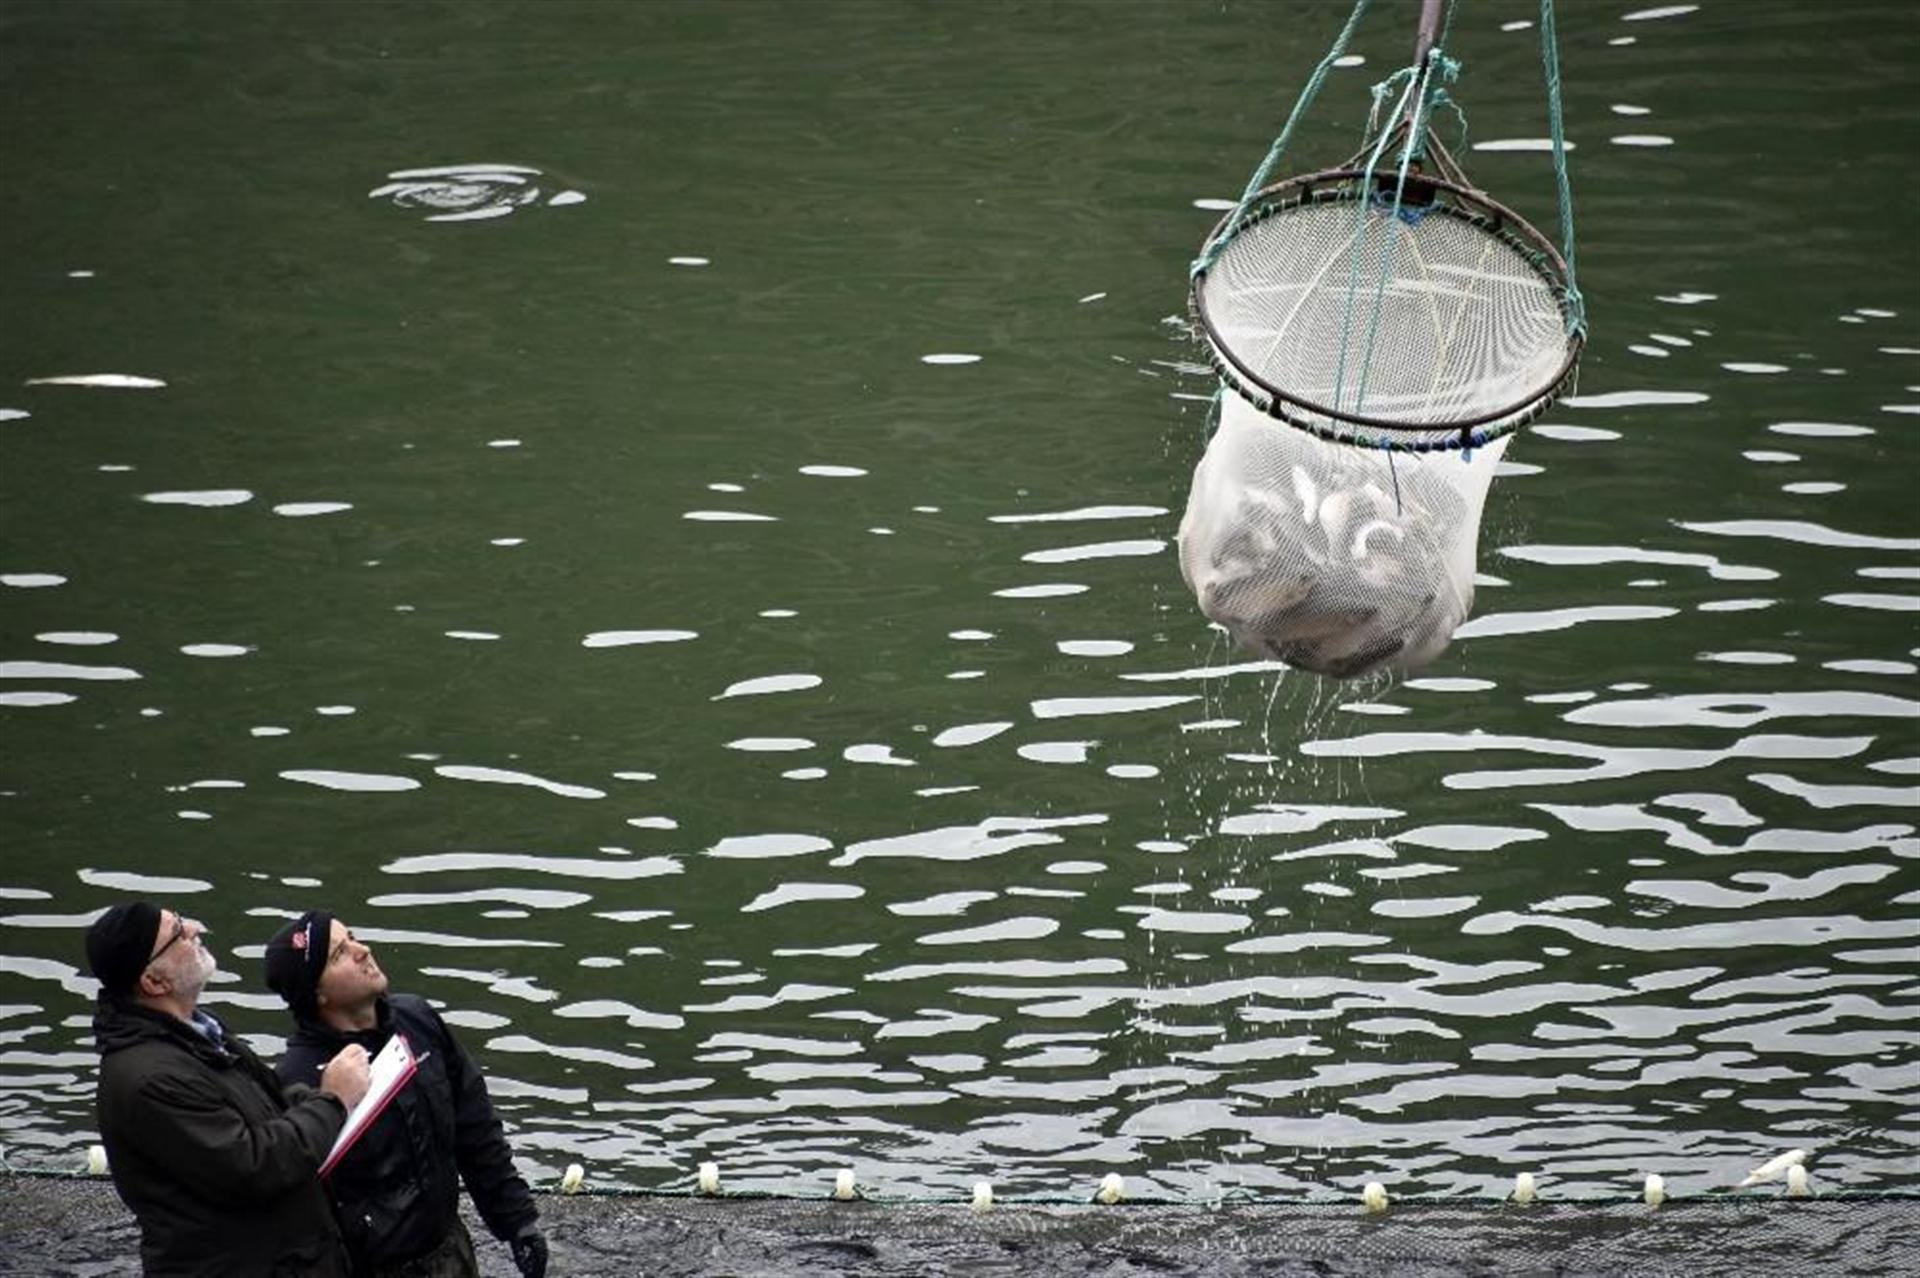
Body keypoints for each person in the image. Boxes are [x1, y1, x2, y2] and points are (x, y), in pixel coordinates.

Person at [86, 900, 371, 1276]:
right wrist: (334, 1101)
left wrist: (334, 1093)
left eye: (182, 920)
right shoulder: (149, 1078)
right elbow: (253, 1167)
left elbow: (269, 1102)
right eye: (178, 934)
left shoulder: (197, 1031)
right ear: (154, 982)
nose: (196, 929)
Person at [264, 910, 548, 1278]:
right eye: (339, 954)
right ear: (316, 993)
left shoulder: (417, 1020)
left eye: (352, 935)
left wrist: (517, 1220)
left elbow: (475, 1128)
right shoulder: (299, 1080)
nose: (362, 950)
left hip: (449, 1254)